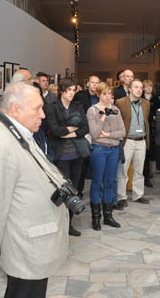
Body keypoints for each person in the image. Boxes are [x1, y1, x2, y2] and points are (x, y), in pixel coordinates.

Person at [0, 82, 69, 298]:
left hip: (33, 242)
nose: (43, 115)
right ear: (16, 109)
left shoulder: (17, 132)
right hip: (25, 245)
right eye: (37, 108)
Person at [46, 78, 90, 237]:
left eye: (73, 90)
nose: (71, 93)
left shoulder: (78, 106)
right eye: (68, 90)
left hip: (77, 154)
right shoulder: (52, 107)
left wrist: (69, 132)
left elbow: (85, 128)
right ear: (61, 91)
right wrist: (72, 129)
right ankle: (60, 224)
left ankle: (69, 224)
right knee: (62, 191)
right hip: (61, 156)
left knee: (75, 190)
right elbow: (55, 131)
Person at [86, 82, 126, 230]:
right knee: (97, 182)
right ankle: (96, 218)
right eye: (105, 94)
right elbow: (95, 133)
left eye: (110, 94)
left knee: (109, 182)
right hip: (99, 149)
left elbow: (122, 132)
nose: (108, 97)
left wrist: (108, 134)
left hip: (114, 149)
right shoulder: (92, 110)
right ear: (98, 94)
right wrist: (103, 116)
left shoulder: (116, 109)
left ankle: (108, 216)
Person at [115, 79, 152, 205]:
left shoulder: (146, 103)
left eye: (141, 87)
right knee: (123, 170)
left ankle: (138, 195)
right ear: (129, 89)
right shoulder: (120, 102)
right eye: (136, 87)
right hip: (127, 141)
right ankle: (121, 197)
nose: (139, 90)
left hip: (141, 140)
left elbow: (146, 121)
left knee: (139, 170)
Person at [74, 75, 100, 196]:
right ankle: (78, 190)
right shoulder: (80, 96)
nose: (94, 85)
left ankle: (98, 191)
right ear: (88, 84)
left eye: (97, 83)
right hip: (84, 133)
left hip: (99, 133)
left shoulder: (101, 96)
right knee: (82, 164)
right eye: (92, 82)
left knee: (97, 162)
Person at [143, 79, 160, 188]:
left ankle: (149, 173)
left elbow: (158, 112)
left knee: (150, 151)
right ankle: (145, 175)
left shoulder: (155, 99)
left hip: (153, 127)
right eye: (147, 86)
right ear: (144, 88)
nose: (149, 88)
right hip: (143, 126)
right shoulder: (141, 98)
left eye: (150, 86)